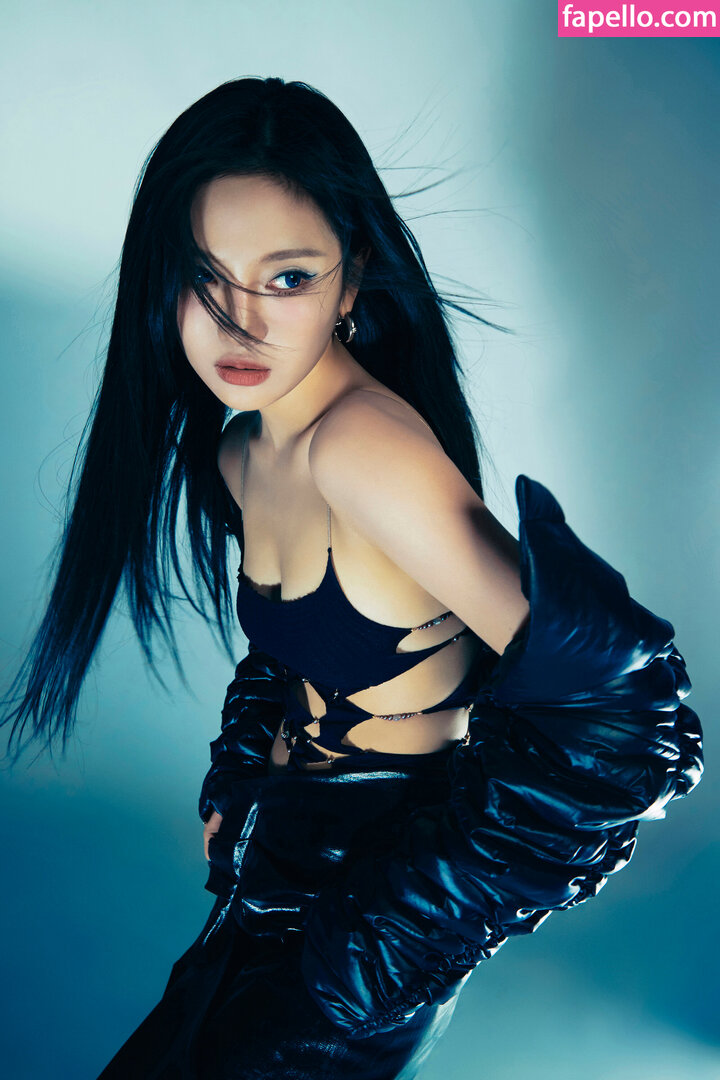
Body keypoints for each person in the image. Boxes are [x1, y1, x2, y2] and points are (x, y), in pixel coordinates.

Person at [0, 76, 704, 1080]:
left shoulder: (363, 448)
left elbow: (627, 716)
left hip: (372, 924)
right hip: (267, 884)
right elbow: (299, 649)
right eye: (206, 279)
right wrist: (245, 780)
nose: (241, 324)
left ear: (351, 278)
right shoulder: (244, 452)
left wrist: (396, 940)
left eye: (286, 278)